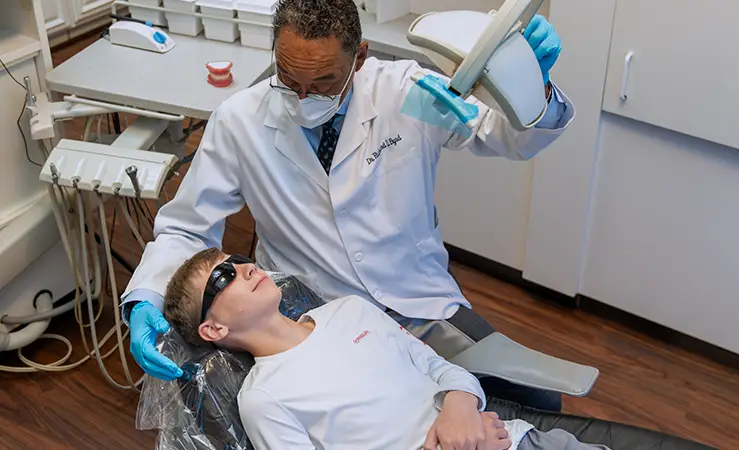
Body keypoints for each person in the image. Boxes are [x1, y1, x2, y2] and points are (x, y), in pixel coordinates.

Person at [124, 0, 574, 410]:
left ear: (359, 56)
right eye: (288, 78)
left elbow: (511, 137)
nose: (302, 98)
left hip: (416, 301)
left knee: (537, 400)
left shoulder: (408, 91)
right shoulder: (238, 121)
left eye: (323, 82)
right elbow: (187, 228)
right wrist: (145, 296)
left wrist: (530, 82)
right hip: (313, 318)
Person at [163, 248, 607, 450]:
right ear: (214, 328)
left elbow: (441, 369)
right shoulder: (262, 397)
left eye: (235, 259)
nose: (243, 268)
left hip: (510, 439)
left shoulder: (351, 311)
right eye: (223, 278)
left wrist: (461, 410)